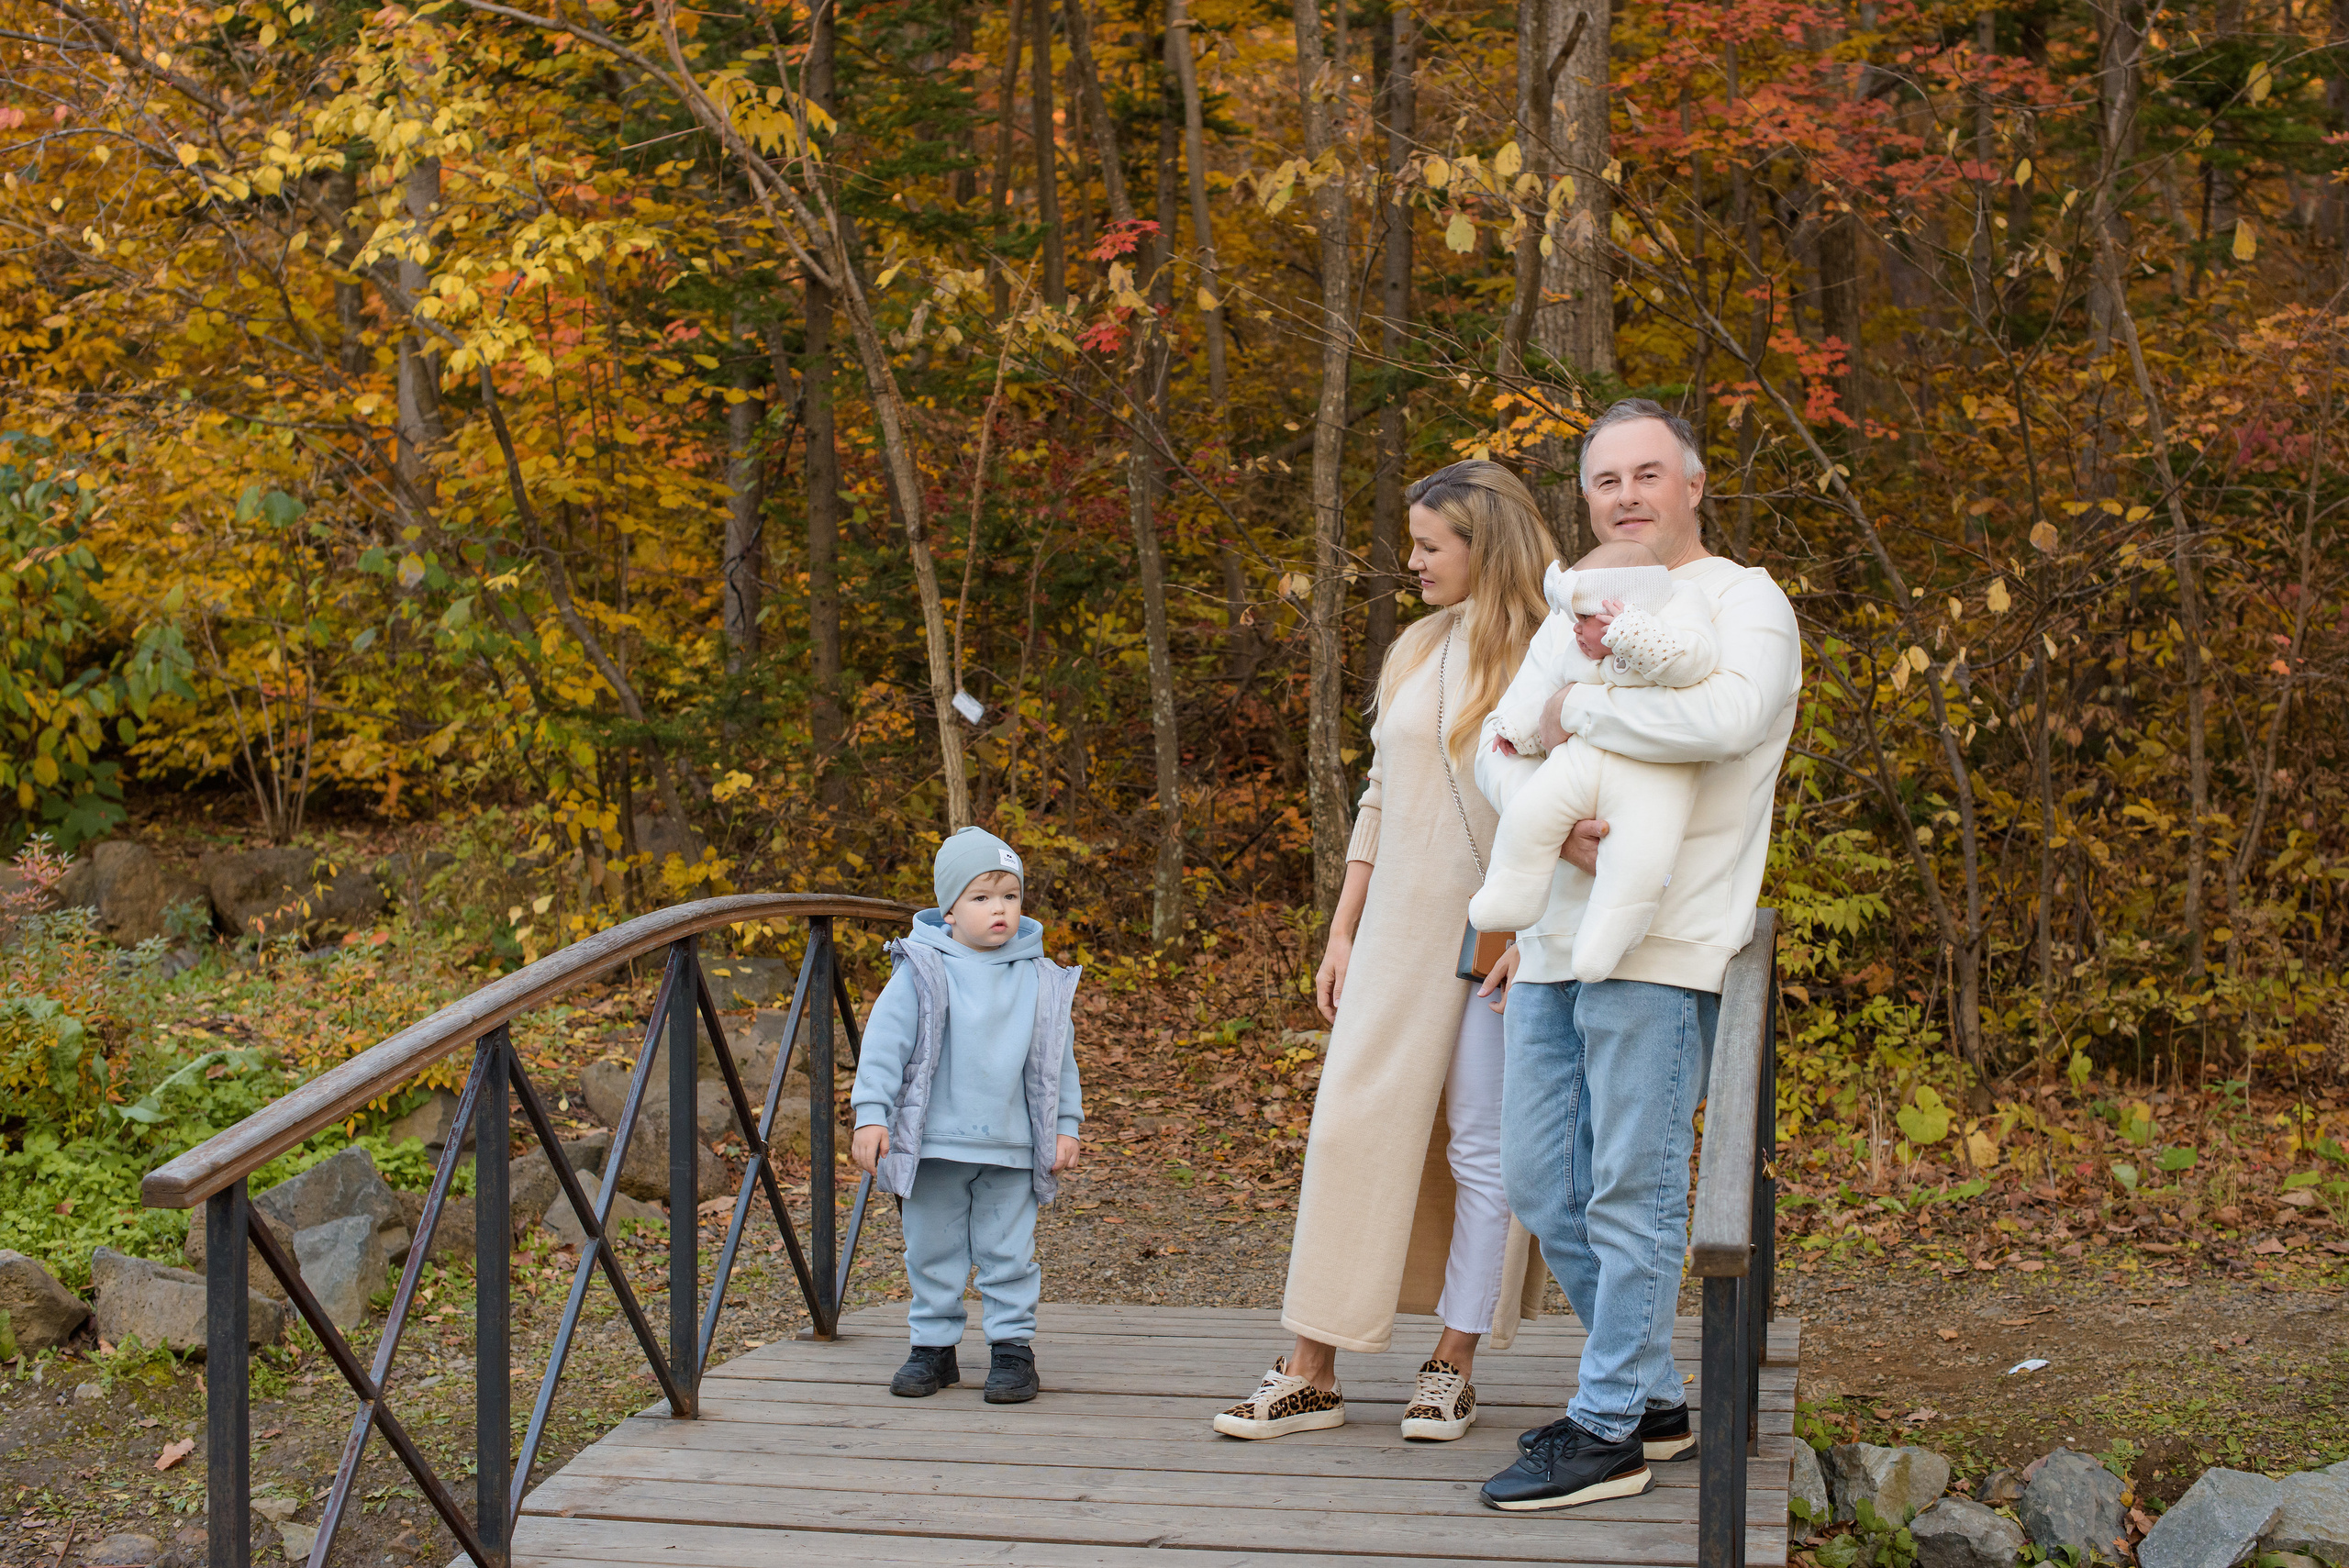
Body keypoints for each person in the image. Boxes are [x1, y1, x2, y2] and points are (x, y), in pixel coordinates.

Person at [1471, 399, 1800, 1512]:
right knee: (1539, 1178)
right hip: (1555, 940)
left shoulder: (1744, 599)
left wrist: (1575, 708)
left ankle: (1607, 1422)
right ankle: (1654, 1393)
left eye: (1646, 474)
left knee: (1635, 1186)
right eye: (1605, 480)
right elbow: (1495, 744)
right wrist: (1547, 817)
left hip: (1665, 940)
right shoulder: (1579, 601)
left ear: (1692, 484)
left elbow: (1730, 718)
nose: (1625, 496)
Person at [1211, 459, 1553, 1444]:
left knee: (1482, 1150)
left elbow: (1584, 801)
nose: (1410, 563)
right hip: (1397, 928)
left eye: (1428, 545)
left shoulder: (1548, 658)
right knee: (1348, 1129)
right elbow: (1378, 794)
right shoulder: (1413, 647)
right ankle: (1310, 1363)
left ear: (1483, 546)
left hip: (1498, 940)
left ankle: (1452, 1361)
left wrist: (1538, 931)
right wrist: (1342, 924)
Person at [850, 826, 1084, 1407]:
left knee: (1009, 1252)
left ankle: (1012, 1351)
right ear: (949, 909)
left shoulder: (1040, 978)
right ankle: (933, 1348)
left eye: (1009, 895)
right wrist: (871, 1115)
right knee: (932, 1248)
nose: (998, 908)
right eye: (981, 897)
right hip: (934, 1145)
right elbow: (884, 1047)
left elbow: (1060, 1060)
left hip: (1011, 1145)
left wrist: (1065, 1127)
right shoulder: (922, 970)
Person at [1467, 538, 1721, 980]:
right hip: (1577, 764)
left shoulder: (1679, 612)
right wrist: (1521, 732)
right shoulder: (1577, 651)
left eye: (1585, 618)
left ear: (1621, 613)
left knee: (1639, 859)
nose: (1575, 629)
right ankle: (1514, 887)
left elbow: (1693, 661)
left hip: (1650, 778)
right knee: (1530, 814)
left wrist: (1627, 635)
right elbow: (1549, 690)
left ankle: (1611, 931)